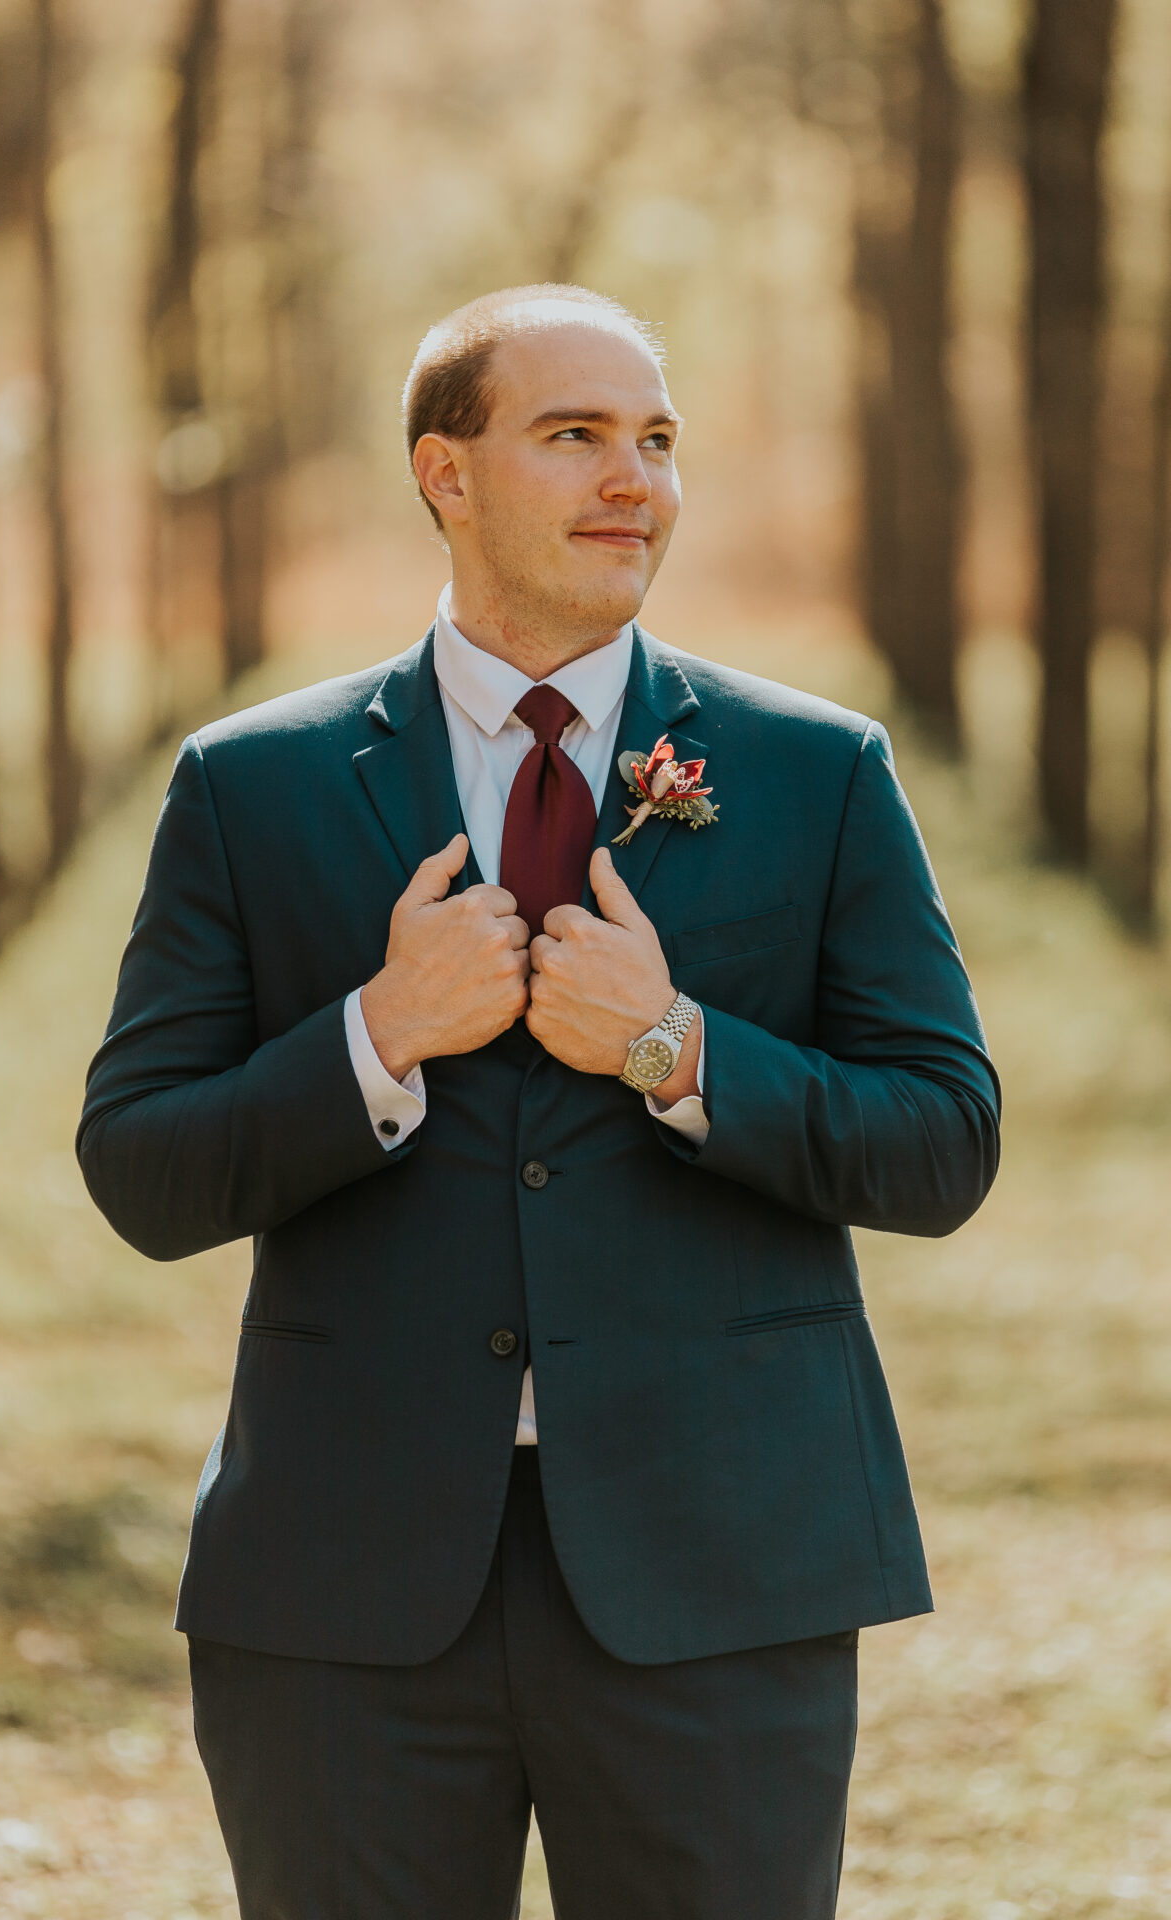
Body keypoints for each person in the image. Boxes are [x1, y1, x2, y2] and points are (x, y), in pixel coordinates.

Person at [77, 284, 1000, 1920]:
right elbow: (143, 1166)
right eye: (573, 436)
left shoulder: (819, 770)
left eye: (654, 441)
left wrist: (677, 1051)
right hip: (342, 1589)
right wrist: (373, 1036)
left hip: (723, 1582)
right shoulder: (252, 783)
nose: (630, 479)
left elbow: (941, 1139)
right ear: (445, 473)